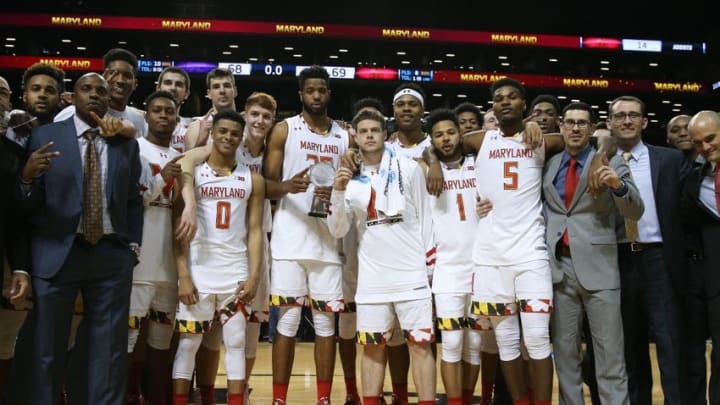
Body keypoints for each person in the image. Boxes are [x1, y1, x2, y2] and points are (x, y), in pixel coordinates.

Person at [21, 72, 143, 405]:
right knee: (48, 348)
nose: (93, 95)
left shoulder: (125, 143)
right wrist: (27, 179)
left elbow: (133, 198)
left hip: (110, 254)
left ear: (109, 100)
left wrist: (133, 246)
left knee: (110, 352)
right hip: (57, 253)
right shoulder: (45, 136)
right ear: (71, 97)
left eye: (100, 91)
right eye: (85, 89)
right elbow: (28, 204)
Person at [328, 110, 437, 405]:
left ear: (384, 132)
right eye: (363, 131)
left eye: (375, 129)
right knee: (373, 348)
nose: (370, 135)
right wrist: (337, 192)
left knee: (421, 346)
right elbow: (338, 229)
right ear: (356, 137)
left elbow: (427, 218)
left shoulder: (409, 168)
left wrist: (429, 266)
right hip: (372, 278)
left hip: (411, 274)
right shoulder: (350, 179)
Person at [178, 91, 278, 404]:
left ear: (240, 137)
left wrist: (253, 277)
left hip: (235, 269)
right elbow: (177, 230)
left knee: (236, 341)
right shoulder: (193, 173)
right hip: (199, 267)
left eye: (234, 133)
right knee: (189, 344)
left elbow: (254, 232)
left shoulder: (253, 179)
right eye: (222, 131)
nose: (228, 137)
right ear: (213, 133)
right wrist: (183, 274)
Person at [544, 101, 643, 404]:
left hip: (600, 268)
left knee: (610, 355)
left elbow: (636, 209)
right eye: (570, 122)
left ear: (591, 128)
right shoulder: (549, 163)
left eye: (582, 123)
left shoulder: (610, 161)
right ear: (561, 126)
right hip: (559, 268)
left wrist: (618, 187)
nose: (575, 128)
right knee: (565, 356)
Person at [263, 65, 350, 405]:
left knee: (327, 325)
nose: (316, 96)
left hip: (329, 241)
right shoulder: (285, 130)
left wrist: (341, 192)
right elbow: (266, 186)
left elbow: (356, 184)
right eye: (310, 90)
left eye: (322, 90)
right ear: (301, 94)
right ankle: (279, 399)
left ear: (329, 93)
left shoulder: (345, 135)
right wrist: (287, 186)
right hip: (289, 241)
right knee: (286, 321)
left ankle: (324, 398)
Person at [608, 95, 691, 404]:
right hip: (617, 259)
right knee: (629, 346)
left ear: (644, 122)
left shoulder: (670, 159)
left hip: (658, 258)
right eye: (620, 116)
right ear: (610, 123)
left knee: (670, 344)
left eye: (633, 115)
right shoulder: (600, 160)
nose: (627, 121)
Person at [0, 64, 64, 402]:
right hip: (17, 245)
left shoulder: (68, 135)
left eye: (49, 89)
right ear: (23, 96)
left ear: (60, 97)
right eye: (35, 89)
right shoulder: (11, 137)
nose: (42, 95)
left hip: (54, 244)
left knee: (47, 338)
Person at [423, 108, 484, 405]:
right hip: (447, 268)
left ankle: (468, 398)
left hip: (482, 266)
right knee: (451, 342)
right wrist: (432, 160)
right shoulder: (425, 170)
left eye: (450, 132)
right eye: (438, 135)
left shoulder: (480, 163)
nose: (445, 139)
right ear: (431, 140)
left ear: (461, 133)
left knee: (474, 343)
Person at [125, 90, 182, 404]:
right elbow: (130, 199)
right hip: (139, 263)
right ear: (145, 115)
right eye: (157, 110)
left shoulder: (181, 154)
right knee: (128, 341)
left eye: (169, 111)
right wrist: (164, 181)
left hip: (170, 266)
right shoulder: (134, 149)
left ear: (176, 118)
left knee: (161, 345)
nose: (163, 115)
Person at [684, 110, 720, 404]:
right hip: (712, 276)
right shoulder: (696, 179)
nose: (706, 147)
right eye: (698, 143)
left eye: (711, 139)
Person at [0, 74, 32, 400]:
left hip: (6, 261)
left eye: (2, 94)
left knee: (4, 344)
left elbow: (17, 217)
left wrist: (21, 267)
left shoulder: (13, 152)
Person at [55, 48, 146, 138]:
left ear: (135, 84)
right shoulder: (73, 112)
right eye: (113, 73)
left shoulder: (139, 119)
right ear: (104, 77)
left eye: (127, 76)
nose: (120, 80)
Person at [183, 68, 237, 150]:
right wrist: (201, 140)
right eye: (216, 87)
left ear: (235, 91)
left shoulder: (246, 125)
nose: (222, 91)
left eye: (226, 86)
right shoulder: (197, 125)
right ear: (209, 94)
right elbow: (188, 160)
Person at [155, 66, 192, 152]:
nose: (173, 88)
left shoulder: (192, 127)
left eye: (179, 85)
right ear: (158, 89)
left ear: (186, 93)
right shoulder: (142, 121)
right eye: (168, 83)